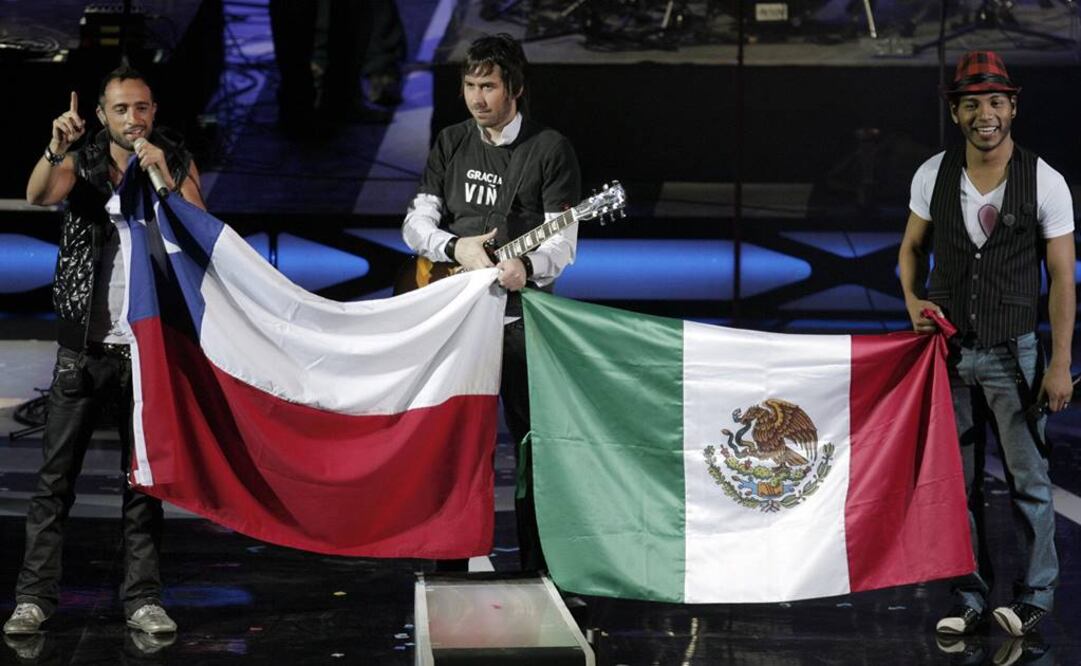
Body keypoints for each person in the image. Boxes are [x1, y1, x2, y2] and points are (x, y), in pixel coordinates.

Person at [3, 65, 205, 637]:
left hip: (146, 350)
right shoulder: (82, 158)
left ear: (153, 111)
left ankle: (142, 598)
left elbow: (203, 233)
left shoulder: (172, 159)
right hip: (84, 348)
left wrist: (164, 175)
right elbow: (39, 194)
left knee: (143, 484)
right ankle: (34, 599)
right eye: (121, 109)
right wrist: (52, 146)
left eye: (141, 108)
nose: (132, 119)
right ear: (102, 115)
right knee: (55, 482)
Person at [898, 50, 1075, 638]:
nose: (985, 114)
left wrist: (1061, 364)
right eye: (971, 103)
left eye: (995, 102)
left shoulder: (1044, 180)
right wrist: (912, 301)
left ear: (1012, 107)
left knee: (1028, 482)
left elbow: (1062, 280)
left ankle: (1035, 596)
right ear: (956, 112)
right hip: (949, 357)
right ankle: (970, 595)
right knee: (958, 484)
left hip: (1015, 355)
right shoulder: (932, 174)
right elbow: (910, 250)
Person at [401, 33, 581, 573]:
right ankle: (455, 558)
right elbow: (417, 223)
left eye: (489, 87)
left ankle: (541, 566)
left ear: (516, 89)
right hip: (455, 319)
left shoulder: (550, 150)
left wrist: (527, 266)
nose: (478, 99)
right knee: (454, 442)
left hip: (520, 321)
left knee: (531, 443)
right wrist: (454, 246)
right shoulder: (452, 141)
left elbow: (562, 241)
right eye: (470, 85)